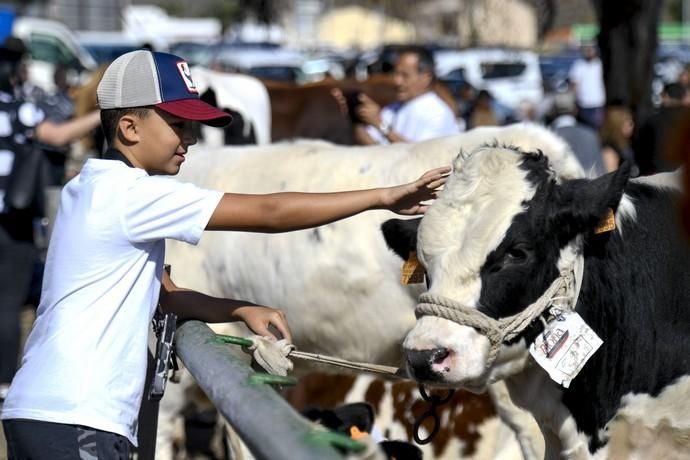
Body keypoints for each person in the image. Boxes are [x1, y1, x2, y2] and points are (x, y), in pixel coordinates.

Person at [0, 49, 449, 458]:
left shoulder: (91, 187)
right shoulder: (130, 195)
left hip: (48, 410)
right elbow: (269, 210)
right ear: (129, 128)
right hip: (80, 418)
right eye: (177, 125)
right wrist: (384, 197)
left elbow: (166, 294)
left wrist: (239, 308)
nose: (190, 139)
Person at [0, 36, 101, 405]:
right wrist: (102, 113)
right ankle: (6, 384)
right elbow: (57, 135)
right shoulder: (20, 109)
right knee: (8, 305)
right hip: (11, 221)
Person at [334, 46, 459, 145]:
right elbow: (373, 148)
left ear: (426, 78)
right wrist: (355, 119)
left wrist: (379, 124)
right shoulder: (394, 108)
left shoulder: (437, 113)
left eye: (405, 75)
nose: (397, 81)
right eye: (396, 74)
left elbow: (419, 157)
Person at [633, 82, 689, 175]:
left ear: (666, 96)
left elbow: (640, 152)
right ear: (683, 97)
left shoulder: (653, 121)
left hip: (657, 175)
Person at [550, 90, 606, 177]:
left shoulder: (548, 136)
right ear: (575, 110)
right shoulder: (590, 134)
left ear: (553, 111)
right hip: (590, 187)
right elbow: (601, 171)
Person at [568, 44, 606, 129]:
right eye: (587, 50)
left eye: (591, 49)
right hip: (583, 103)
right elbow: (574, 84)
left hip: (598, 103)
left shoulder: (600, 64)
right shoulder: (578, 65)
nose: (589, 52)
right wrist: (573, 102)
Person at [599, 105, 637, 174]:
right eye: (629, 123)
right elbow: (610, 179)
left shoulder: (627, 143)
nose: (632, 126)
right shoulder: (609, 151)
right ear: (617, 125)